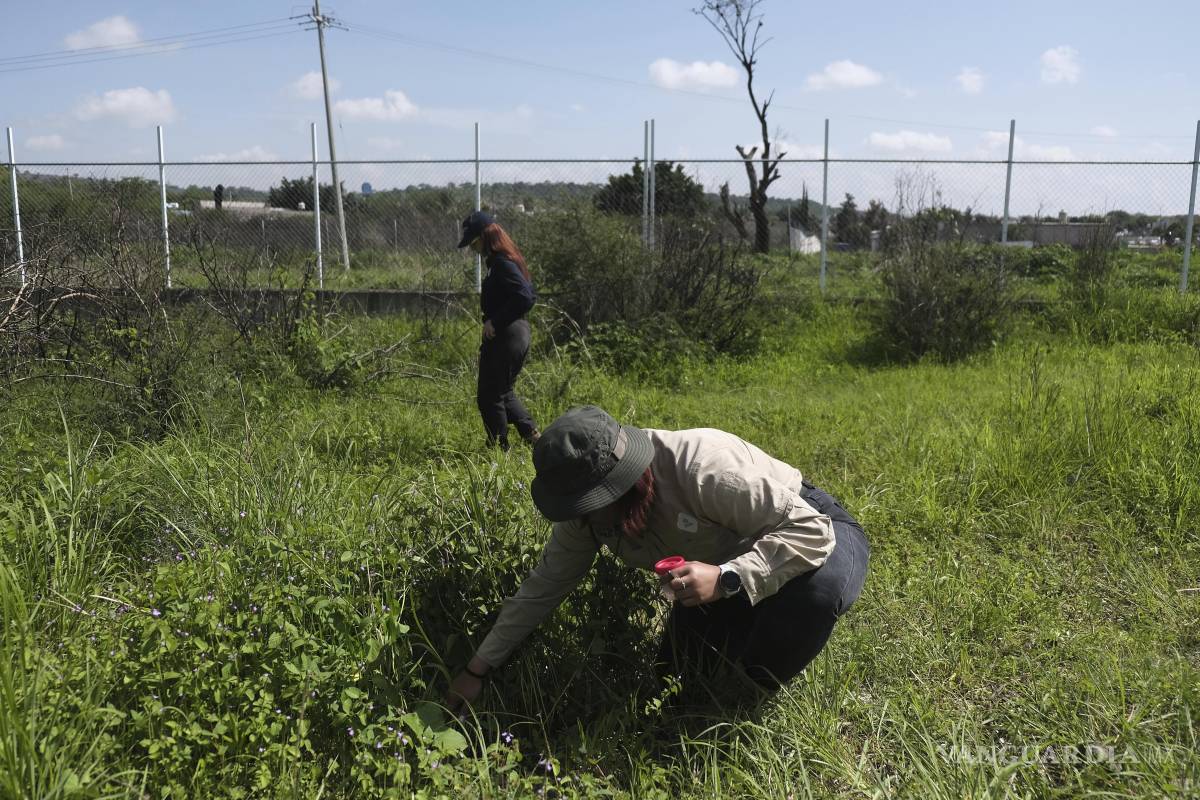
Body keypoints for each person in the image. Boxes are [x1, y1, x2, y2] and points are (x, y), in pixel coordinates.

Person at [446, 405, 870, 711]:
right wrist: (477, 670)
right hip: (724, 559)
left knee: (814, 595)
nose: (587, 516)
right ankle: (746, 634)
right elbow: (542, 589)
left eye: (595, 502)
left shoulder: (703, 468)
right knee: (674, 677)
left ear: (623, 478)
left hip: (812, 523)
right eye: (577, 505)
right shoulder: (584, 513)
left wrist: (727, 579)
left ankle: (749, 698)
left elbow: (812, 531)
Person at [457, 211, 539, 450]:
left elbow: (526, 297)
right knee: (504, 392)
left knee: (489, 397)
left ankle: (498, 451)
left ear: (486, 236)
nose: (473, 249)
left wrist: (496, 322)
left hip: (508, 334)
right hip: (515, 333)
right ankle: (534, 437)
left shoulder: (502, 263)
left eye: (474, 242)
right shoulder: (504, 261)